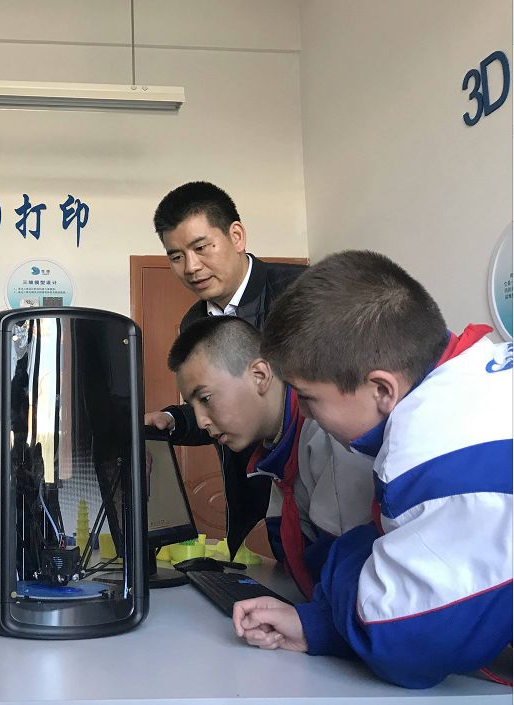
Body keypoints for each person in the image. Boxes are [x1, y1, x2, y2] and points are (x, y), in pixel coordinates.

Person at [232, 250, 513, 688]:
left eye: (308, 397)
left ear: (382, 388)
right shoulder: (478, 369)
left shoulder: (434, 449)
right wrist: (316, 625)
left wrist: (354, 550)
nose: (304, 413)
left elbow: (405, 642)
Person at [144, 181, 306, 555]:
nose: (191, 267)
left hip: (309, 494)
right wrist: (174, 419)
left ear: (236, 236)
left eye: (201, 248)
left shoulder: (299, 293)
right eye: (176, 256)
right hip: (247, 500)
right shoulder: (193, 322)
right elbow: (221, 405)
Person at [167, 316, 374, 597]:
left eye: (205, 398)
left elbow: (359, 585)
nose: (202, 421)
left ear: (260, 375)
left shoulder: (330, 436)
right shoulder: (276, 452)